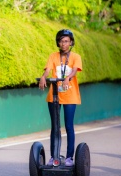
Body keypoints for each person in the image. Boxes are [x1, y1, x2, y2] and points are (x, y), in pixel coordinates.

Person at [38, 29, 82, 167]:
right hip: (54, 96)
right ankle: (53, 157)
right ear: (58, 42)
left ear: (71, 42)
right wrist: (43, 78)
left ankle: (69, 157)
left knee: (69, 126)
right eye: (61, 41)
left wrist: (68, 77)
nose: (64, 44)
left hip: (70, 96)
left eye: (66, 41)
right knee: (55, 127)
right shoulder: (53, 56)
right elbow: (47, 69)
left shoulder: (76, 56)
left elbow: (74, 70)